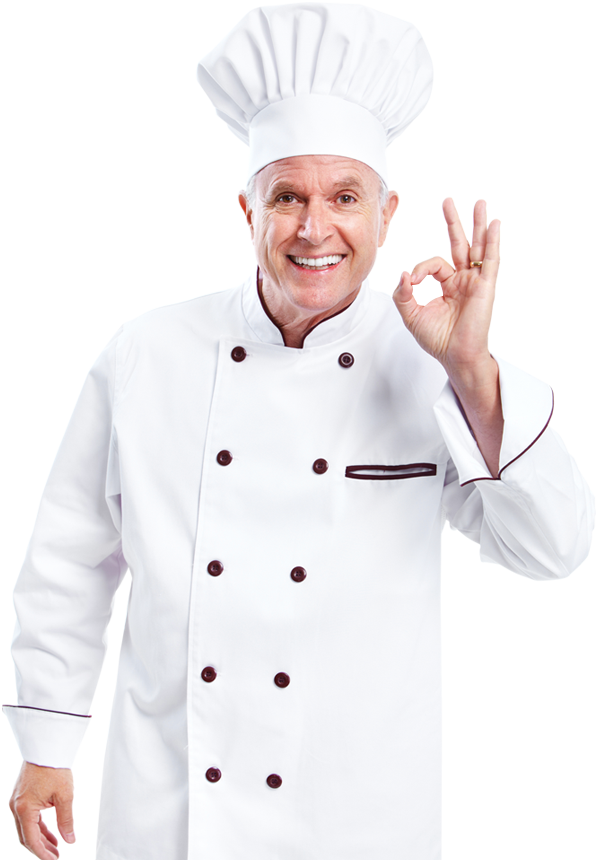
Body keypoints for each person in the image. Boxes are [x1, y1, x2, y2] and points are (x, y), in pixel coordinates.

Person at [6, 5, 593, 860]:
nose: (315, 230)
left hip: (357, 815)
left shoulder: (433, 363)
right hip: (174, 808)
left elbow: (552, 549)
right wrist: (47, 747)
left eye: (344, 197)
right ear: (247, 210)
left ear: (386, 212)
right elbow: (70, 561)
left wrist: (472, 367)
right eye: (288, 197)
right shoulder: (148, 355)